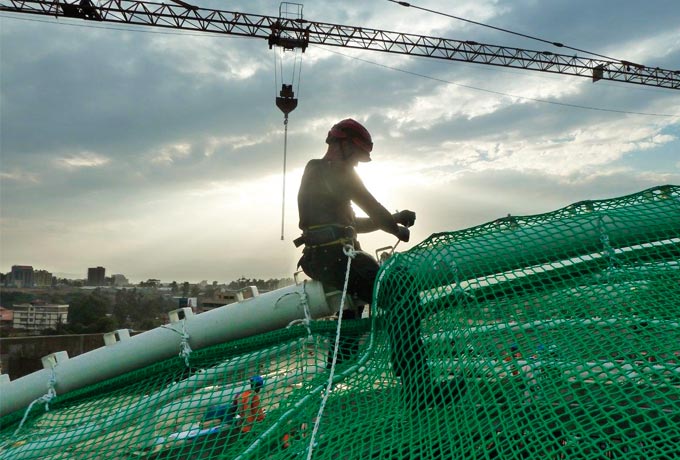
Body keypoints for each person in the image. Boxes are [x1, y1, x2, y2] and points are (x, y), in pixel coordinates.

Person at [295, 118, 416, 365]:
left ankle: (338, 369)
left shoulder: (316, 170)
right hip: (335, 257)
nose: (356, 165)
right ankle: (416, 378)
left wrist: (394, 219)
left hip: (323, 258)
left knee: (351, 310)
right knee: (401, 290)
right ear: (344, 145)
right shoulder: (338, 171)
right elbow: (373, 208)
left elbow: (354, 223)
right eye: (356, 157)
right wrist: (396, 230)